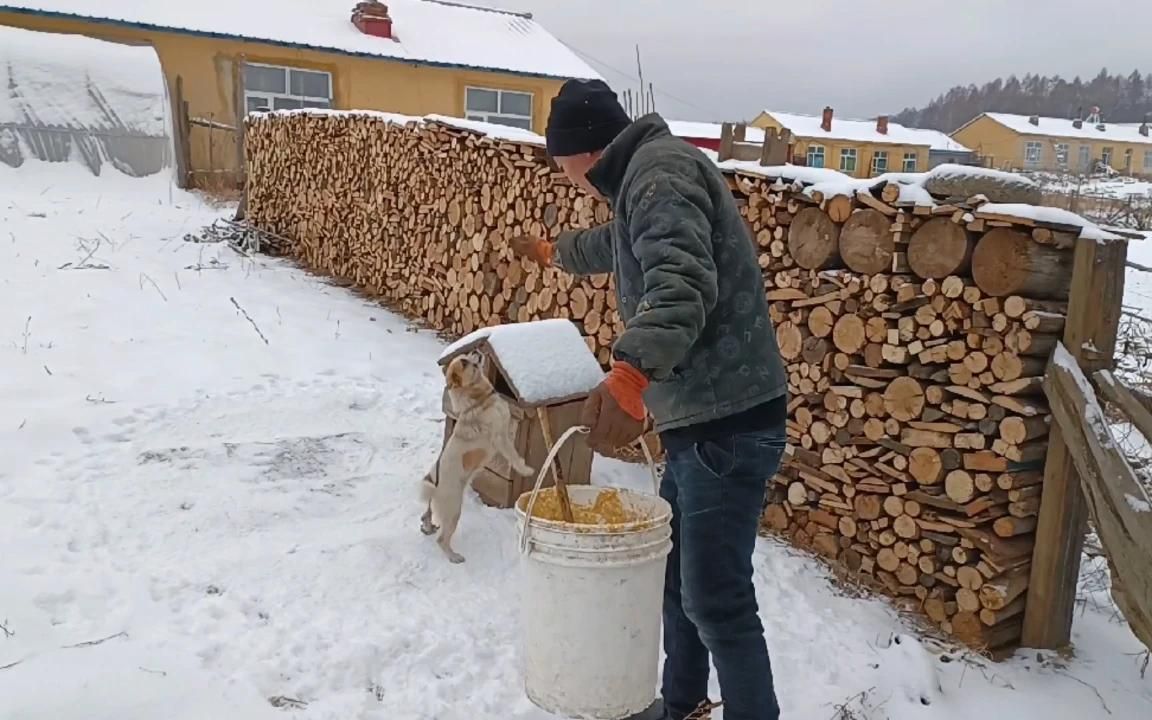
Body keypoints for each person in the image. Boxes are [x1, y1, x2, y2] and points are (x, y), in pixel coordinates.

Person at [509, 79, 789, 720]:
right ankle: (683, 706)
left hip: (728, 423)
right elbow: (621, 243)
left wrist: (631, 373)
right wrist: (556, 252)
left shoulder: (658, 173)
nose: (569, 181)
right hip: (702, 420)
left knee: (717, 600)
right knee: (679, 586)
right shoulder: (648, 174)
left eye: (563, 167)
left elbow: (680, 279)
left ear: (583, 151)